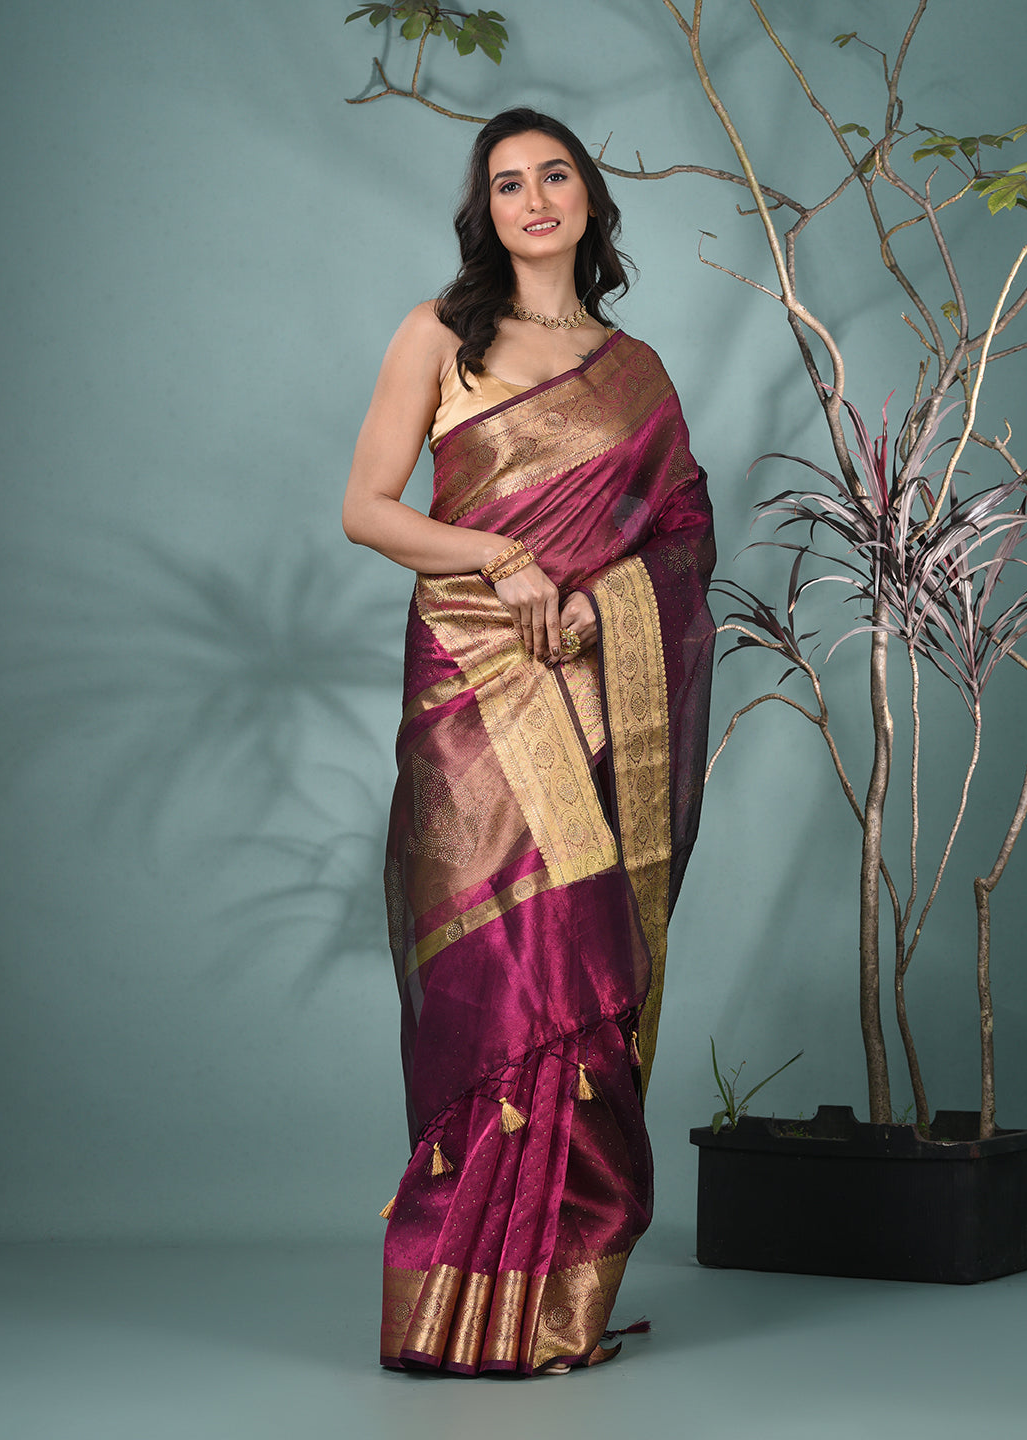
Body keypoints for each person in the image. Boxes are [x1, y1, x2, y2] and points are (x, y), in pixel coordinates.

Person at [342, 107, 716, 1377]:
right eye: (508, 183)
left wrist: (601, 608)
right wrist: (503, 559)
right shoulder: (439, 336)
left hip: (592, 691)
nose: (535, 198)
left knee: (580, 967)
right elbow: (367, 510)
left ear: (591, 199)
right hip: (472, 680)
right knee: (502, 975)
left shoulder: (636, 371)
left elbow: (682, 540)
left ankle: (553, 1305)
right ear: (486, 211)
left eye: (555, 174)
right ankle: (452, 1305)